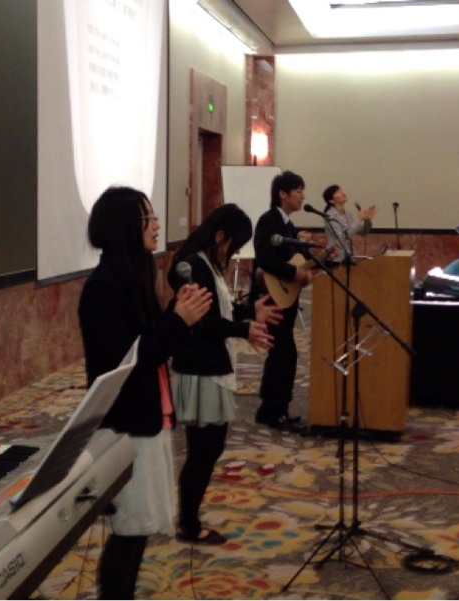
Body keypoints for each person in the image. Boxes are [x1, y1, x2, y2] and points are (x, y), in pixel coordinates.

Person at [78, 186, 212, 599]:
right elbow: (125, 362)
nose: (157, 225)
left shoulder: (134, 275)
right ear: (125, 227)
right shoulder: (103, 287)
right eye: (147, 218)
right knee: (129, 529)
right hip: (124, 423)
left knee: (137, 530)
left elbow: (152, 341)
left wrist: (176, 314)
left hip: (147, 413)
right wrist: (177, 321)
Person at [167, 204, 280, 546]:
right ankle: (188, 524)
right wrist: (244, 329)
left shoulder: (206, 264)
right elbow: (201, 322)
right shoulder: (192, 266)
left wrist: (249, 311)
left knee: (207, 449)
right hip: (201, 369)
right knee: (203, 450)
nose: (233, 254)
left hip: (211, 366)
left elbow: (220, 310)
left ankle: (189, 518)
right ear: (219, 236)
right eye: (234, 246)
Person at [250, 170, 313, 432]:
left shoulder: (288, 226)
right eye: (297, 191)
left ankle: (271, 409)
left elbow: (292, 260)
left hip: (286, 297)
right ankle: (275, 411)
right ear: (283, 194)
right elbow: (265, 259)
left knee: (282, 352)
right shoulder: (269, 221)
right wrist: (293, 273)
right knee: (283, 353)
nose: (302, 196)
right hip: (270, 297)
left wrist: (308, 251)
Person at [321, 185, 376, 264]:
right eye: (338, 192)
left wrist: (368, 220)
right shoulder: (329, 215)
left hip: (349, 256)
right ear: (331, 200)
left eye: (341, 190)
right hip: (336, 258)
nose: (342, 193)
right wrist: (358, 219)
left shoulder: (347, 212)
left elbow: (362, 232)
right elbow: (343, 237)